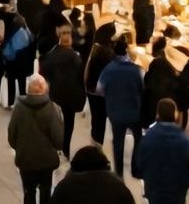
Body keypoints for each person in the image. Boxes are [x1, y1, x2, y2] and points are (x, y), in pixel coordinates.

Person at [7, 73, 64, 204]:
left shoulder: (19, 108)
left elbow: (11, 135)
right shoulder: (53, 108)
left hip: (26, 160)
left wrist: (21, 148)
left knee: (28, 194)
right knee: (46, 193)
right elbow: (58, 140)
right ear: (45, 89)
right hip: (46, 161)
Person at [134, 97, 189, 204]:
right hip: (177, 188)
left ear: (158, 114)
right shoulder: (184, 140)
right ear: (174, 114)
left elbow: (139, 164)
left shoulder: (149, 137)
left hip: (154, 187)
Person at [98, 38, 144, 177]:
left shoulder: (108, 69)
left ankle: (119, 173)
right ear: (126, 51)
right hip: (134, 112)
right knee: (138, 138)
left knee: (118, 142)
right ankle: (135, 168)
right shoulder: (136, 70)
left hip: (115, 112)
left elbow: (99, 89)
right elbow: (143, 88)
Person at [40, 26, 87, 156]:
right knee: (69, 123)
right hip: (71, 95)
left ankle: (56, 145)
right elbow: (81, 76)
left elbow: (44, 70)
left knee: (55, 121)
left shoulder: (52, 55)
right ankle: (65, 148)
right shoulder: (75, 57)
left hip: (56, 93)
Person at [83, 22, 118, 146]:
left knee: (97, 120)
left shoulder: (96, 47)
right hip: (100, 92)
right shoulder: (107, 53)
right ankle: (97, 148)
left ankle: (96, 144)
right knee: (100, 120)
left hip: (92, 89)